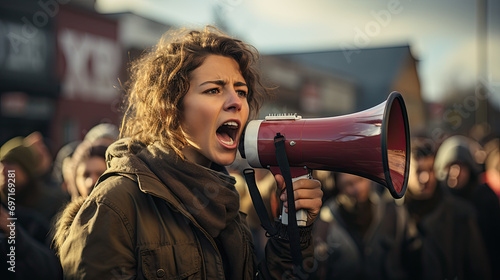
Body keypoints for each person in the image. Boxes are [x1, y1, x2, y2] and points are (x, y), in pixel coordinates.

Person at [57, 26, 323, 279]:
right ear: (169, 108)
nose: (236, 102)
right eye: (214, 90)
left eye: (241, 91)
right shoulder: (116, 204)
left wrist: (294, 230)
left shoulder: (225, 204)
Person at [404, 137, 491, 280]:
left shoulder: (461, 213)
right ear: (405, 172)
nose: (425, 178)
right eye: (419, 171)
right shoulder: (391, 210)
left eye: (430, 170)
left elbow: (478, 268)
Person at [312, 173, 416, 280]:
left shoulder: (393, 212)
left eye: (360, 180)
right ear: (337, 185)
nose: (358, 189)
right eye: (349, 184)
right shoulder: (325, 222)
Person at [433, 135, 500, 279]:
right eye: (450, 166)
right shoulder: (434, 201)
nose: (455, 173)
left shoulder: (485, 198)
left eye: (461, 166)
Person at [0, 138, 63, 279]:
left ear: (26, 170)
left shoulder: (52, 204)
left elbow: (51, 265)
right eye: (1, 165)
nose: (4, 171)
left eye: (11, 165)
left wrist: (13, 232)